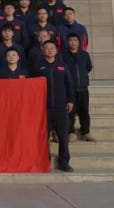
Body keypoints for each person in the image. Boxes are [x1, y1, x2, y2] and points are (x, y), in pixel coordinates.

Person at [32, 39, 74, 172]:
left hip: (61, 107)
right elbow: (32, 87)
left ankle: (64, 162)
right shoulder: (38, 66)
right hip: (44, 108)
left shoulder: (62, 66)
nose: (49, 50)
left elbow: (69, 84)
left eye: (52, 48)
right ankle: (45, 161)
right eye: (46, 48)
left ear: (56, 50)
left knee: (63, 137)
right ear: (42, 51)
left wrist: (71, 100)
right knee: (43, 138)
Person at [63, 32, 95, 141]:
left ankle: (85, 132)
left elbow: (88, 67)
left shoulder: (84, 54)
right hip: (70, 89)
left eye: (75, 40)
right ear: (68, 42)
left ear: (79, 42)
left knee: (84, 111)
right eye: (71, 40)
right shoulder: (63, 55)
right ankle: (70, 132)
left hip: (83, 88)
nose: (73, 42)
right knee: (70, 112)